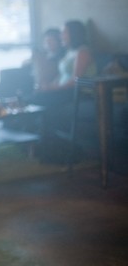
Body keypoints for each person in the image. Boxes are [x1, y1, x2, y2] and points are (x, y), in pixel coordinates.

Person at [32, 20, 96, 163]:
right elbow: (61, 76)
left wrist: (51, 89)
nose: (61, 35)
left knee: (38, 99)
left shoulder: (83, 52)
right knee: (37, 96)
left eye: (64, 32)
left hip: (78, 92)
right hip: (63, 90)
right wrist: (47, 86)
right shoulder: (69, 52)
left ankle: (48, 147)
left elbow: (75, 81)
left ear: (73, 34)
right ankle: (42, 143)